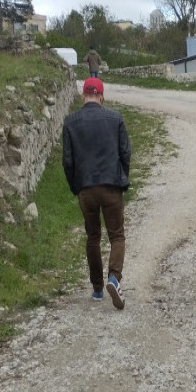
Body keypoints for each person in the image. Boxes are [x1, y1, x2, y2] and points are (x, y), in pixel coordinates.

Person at [62, 77, 130, 310]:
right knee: (117, 236)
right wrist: (123, 179)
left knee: (93, 237)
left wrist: (75, 186)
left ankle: (98, 288)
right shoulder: (115, 118)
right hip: (111, 184)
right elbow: (125, 153)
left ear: (83, 97)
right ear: (101, 97)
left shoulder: (70, 122)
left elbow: (68, 161)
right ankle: (114, 278)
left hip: (86, 188)